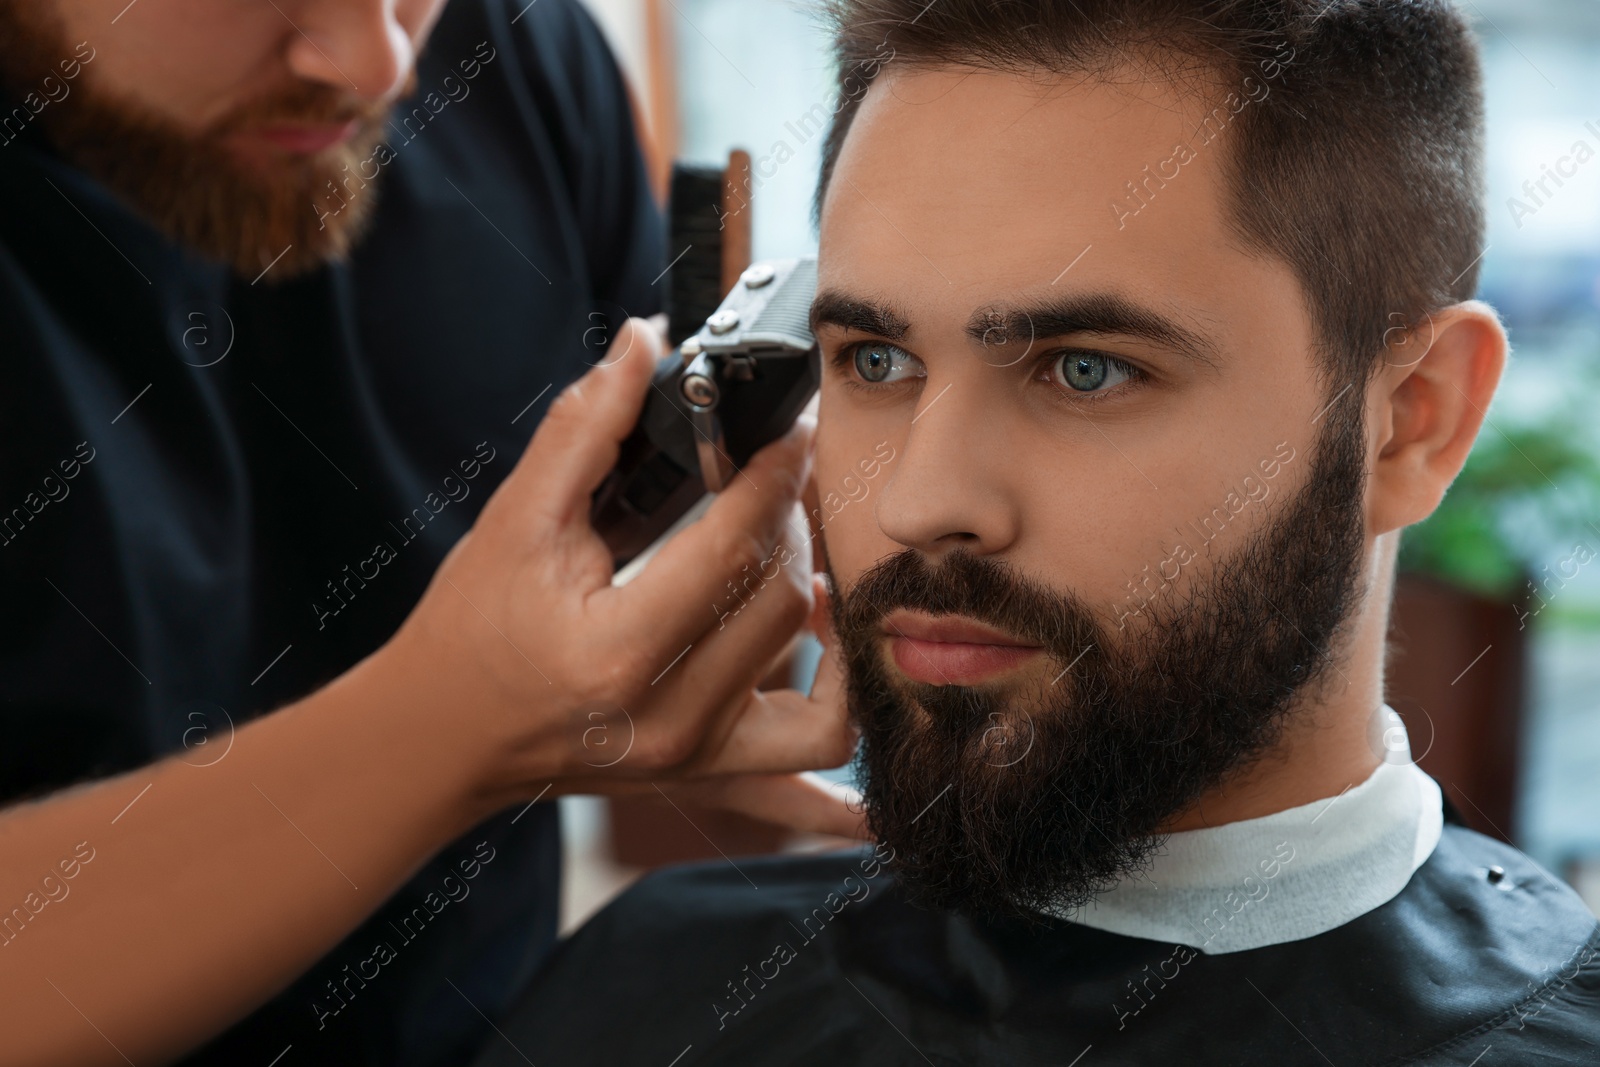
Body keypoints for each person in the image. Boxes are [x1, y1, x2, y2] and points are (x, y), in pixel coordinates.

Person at [477, 1, 1600, 1064]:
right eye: (876, 360)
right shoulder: (642, 994)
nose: (919, 500)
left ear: (1411, 423)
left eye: (1086, 369)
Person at [0, 2, 862, 1065]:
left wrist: (689, 645)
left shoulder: (516, 55)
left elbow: (653, 508)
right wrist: (462, 723)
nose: (381, 63)